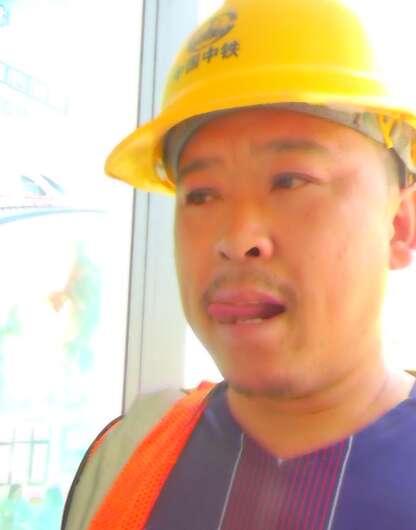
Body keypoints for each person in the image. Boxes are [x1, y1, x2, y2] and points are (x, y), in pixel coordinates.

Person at [62, 0, 416, 529]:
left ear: (400, 225)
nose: (235, 239)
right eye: (201, 195)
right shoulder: (124, 455)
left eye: (289, 181)